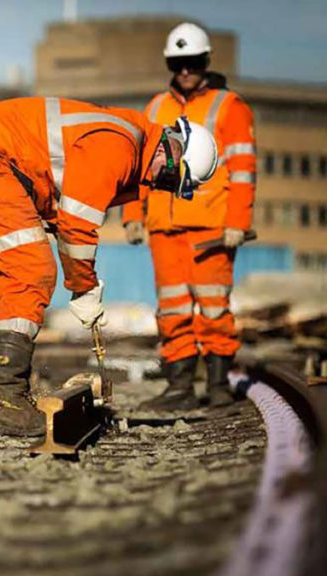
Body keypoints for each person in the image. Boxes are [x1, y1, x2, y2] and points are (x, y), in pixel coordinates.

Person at [0, 96, 218, 436]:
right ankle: (4, 403)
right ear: (168, 151)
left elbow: (60, 200)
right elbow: (77, 224)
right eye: (170, 177)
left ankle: (3, 397)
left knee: (4, 281)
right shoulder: (121, 146)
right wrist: (84, 287)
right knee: (31, 269)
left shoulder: (127, 141)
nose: (160, 185)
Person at [122, 23, 257, 411]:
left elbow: (244, 170)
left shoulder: (229, 107)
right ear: (170, 63)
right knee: (173, 311)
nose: (185, 71)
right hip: (163, 229)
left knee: (214, 309)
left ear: (205, 61)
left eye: (193, 62)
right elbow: (141, 165)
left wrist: (237, 222)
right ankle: (180, 387)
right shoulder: (155, 108)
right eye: (178, 63)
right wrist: (133, 213)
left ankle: (217, 386)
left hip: (211, 229)